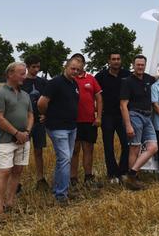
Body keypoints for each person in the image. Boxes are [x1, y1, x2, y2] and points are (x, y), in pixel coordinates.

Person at [0, 62, 33, 223]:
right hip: (5, 141)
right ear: (10, 74)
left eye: (25, 73)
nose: (25, 76)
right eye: (22, 73)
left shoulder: (26, 95)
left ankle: (10, 203)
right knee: (5, 172)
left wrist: (27, 132)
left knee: (17, 171)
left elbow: (31, 115)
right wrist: (16, 133)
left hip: (23, 139)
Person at [38, 57, 81, 204]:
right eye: (72, 68)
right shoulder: (55, 82)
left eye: (77, 70)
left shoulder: (74, 84)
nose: (75, 71)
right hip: (58, 127)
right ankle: (61, 195)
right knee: (65, 159)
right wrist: (46, 115)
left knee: (63, 160)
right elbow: (42, 102)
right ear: (66, 67)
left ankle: (60, 189)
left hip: (71, 127)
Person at [120, 55, 158, 190]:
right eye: (138, 65)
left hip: (148, 117)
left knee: (153, 147)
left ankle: (131, 173)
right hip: (134, 116)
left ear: (145, 65)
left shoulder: (149, 79)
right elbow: (123, 105)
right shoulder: (127, 81)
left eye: (142, 65)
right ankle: (133, 181)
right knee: (134, 148)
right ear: (133, 65)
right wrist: (128, 125)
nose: (140, 67)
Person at [95, 52, 131, 184]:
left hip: (123, 115)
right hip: (107, 115)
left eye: (118, 59)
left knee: (127, 144)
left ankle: (123, 171)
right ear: (109, 61)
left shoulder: (127, 75)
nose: (116, 61)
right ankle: (112, 174)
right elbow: (94, 94)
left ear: (121, 60)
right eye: (113, 59)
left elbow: (143, 78)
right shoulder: (100, 76)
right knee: (108, 146)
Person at [69, 53, 103, 188]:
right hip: (73, 121)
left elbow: (99, 98)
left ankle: (88, 176)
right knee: (74, 150)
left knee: (88, 149)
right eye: (75, 63)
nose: (77, 66)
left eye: (80, 63)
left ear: (83, 65)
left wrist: (99, 117)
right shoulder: (69, 79)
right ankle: (73, 177)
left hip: (89, 121)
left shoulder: (91, 79)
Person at [21, 55, 49, 190]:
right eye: (34, 67)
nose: (36, 69)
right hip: (23, 123)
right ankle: (17, 181)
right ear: (27, 66)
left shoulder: (43, 82)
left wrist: (46, 114)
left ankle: (40, 179)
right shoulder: (21, 82)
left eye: (38, 66)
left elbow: (49, 100)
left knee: (39, 151)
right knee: (21, 151)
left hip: (39, 122)